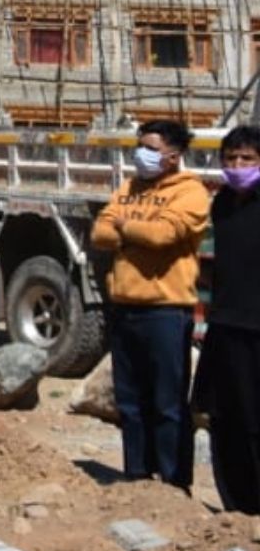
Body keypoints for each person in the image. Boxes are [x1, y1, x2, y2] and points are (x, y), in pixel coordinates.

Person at [89, 117, 210, 490]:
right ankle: (137, 478)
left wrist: (125, 228)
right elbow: (99, 233)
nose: (141, 155)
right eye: (139, 147)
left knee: (168, 405)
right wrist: (128, 229)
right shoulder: (129, 187)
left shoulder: (190, 192)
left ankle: (173, 485)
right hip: (125, 308)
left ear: (173, 156)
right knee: (130, 402)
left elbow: (164, 234)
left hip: (165, 312)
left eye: (151, 149)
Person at [197, 125, 260, 513]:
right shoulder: (221, 204)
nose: (237, 166)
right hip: (225, 328)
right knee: (226, 417)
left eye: (247, 159)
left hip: (257, 332)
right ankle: (238, 506)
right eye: (231, 159)